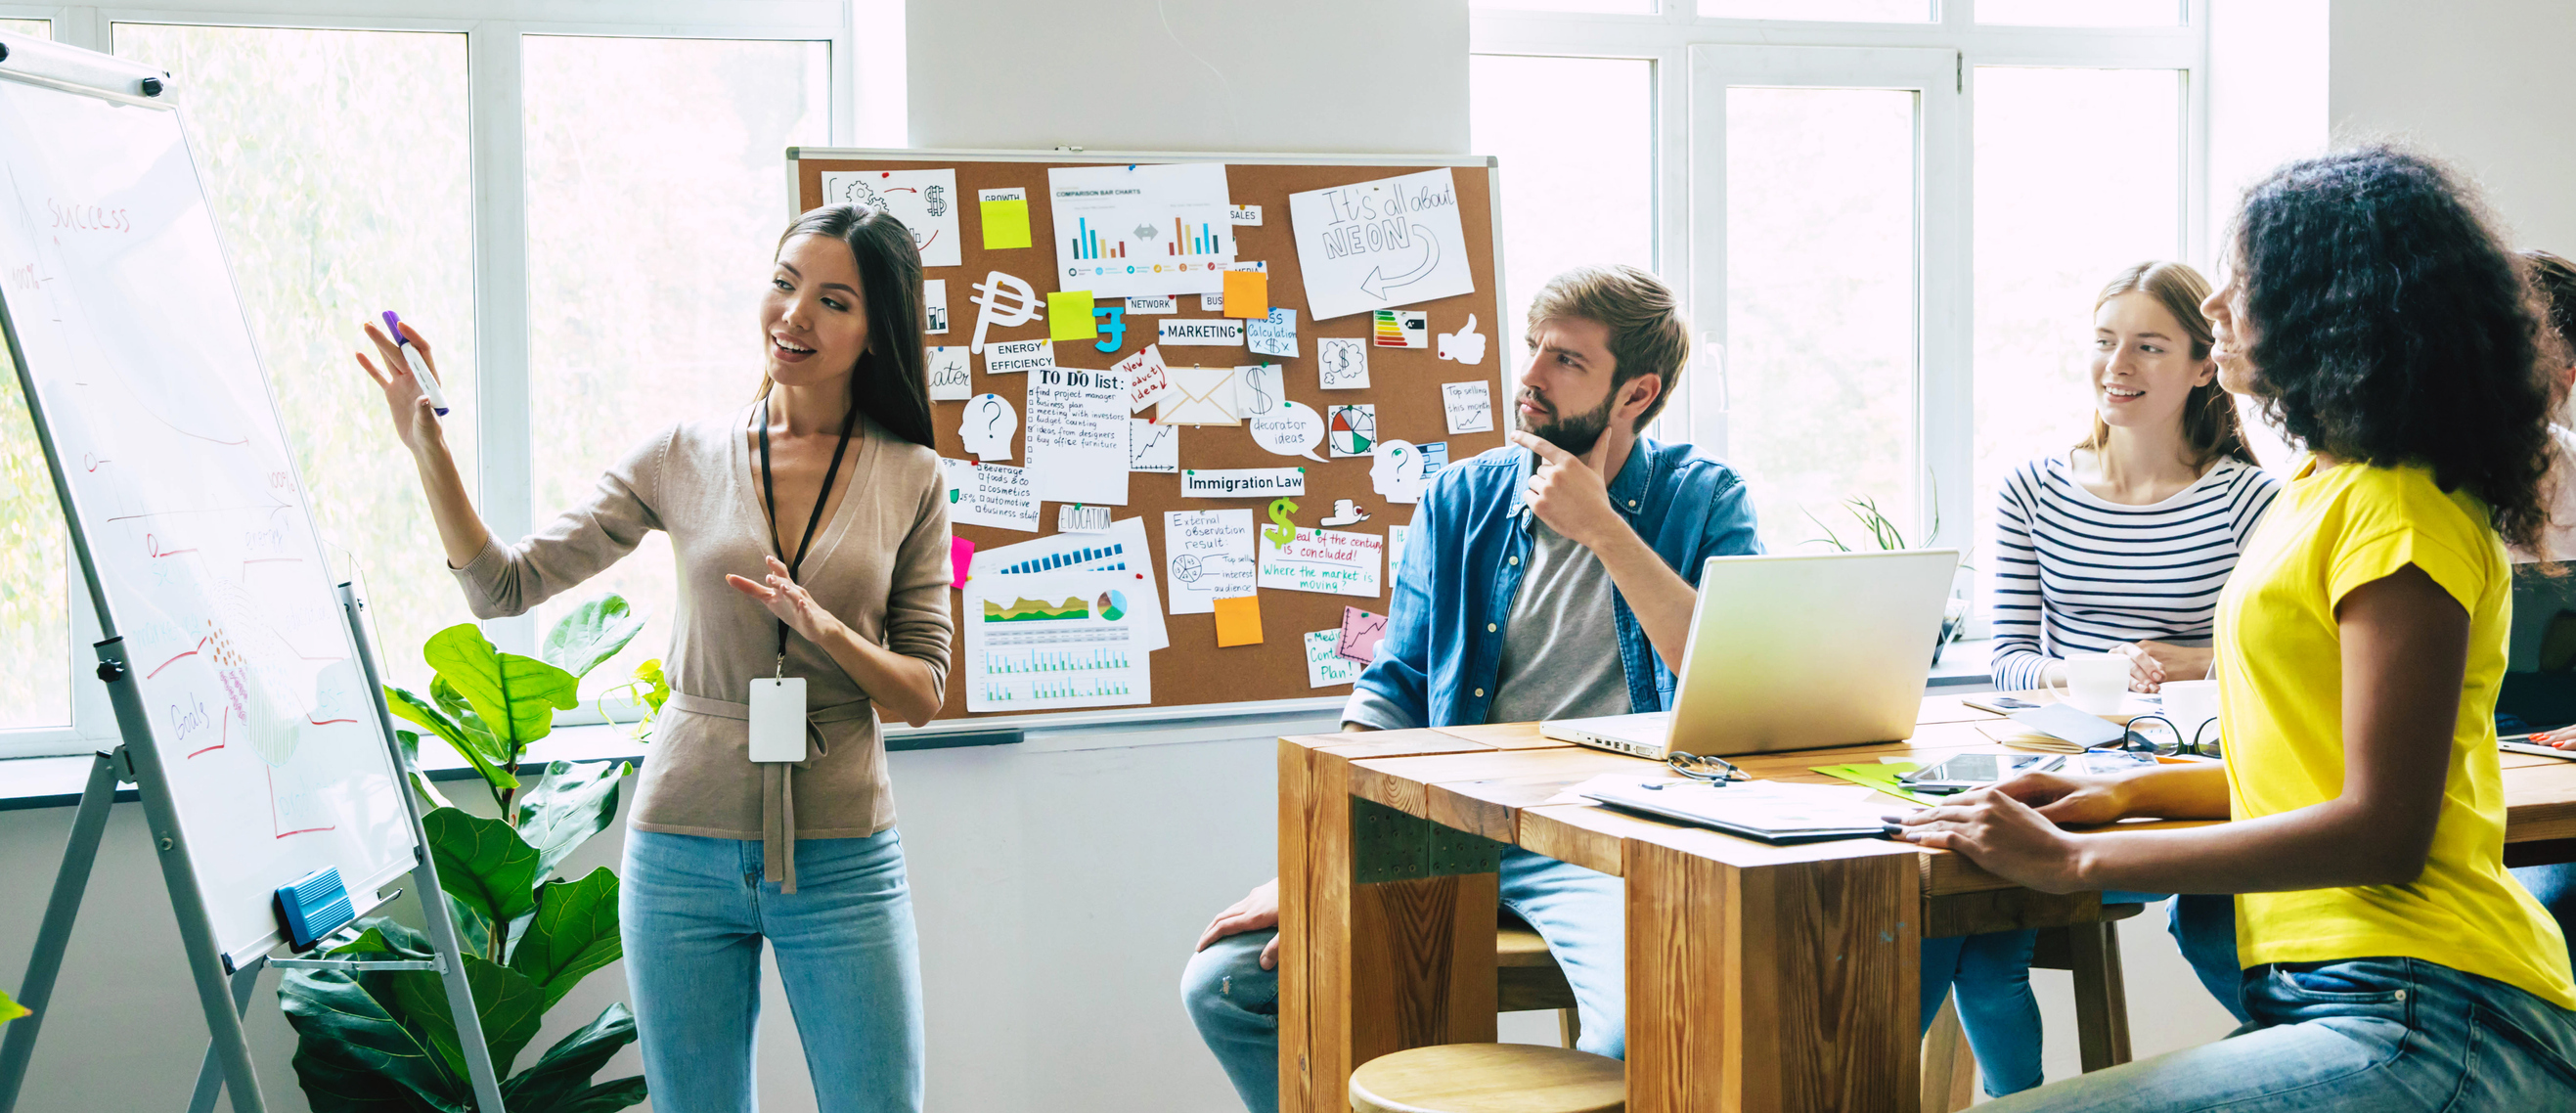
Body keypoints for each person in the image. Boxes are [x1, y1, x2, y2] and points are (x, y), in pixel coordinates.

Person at [1898, 146, 2576, 1110]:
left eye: (2245, 281)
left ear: (2335, 307)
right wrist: (2125, 790)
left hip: (2436, 1009)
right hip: (2352, 999)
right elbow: (2306, 771)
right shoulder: (2321, 492)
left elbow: (2383, 828)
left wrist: (2075, 859)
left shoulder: (2400, 510)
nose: (2215, 304)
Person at [357, 204, 953, 1113]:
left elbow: (921, 692)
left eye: (834, 301)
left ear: (877, 331)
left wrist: (824, 627)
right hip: (680, 850)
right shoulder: (682, 455)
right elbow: (502, 587)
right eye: (784, 283)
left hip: (841, 855)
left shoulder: (911, 475)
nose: (794, 316)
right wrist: (426, 446)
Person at [1177, 265, 1761, 1113]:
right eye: (1533, 348)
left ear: (1637, 393)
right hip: (1450, 826)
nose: (1530, 376)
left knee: (1641, 1037)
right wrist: (1321, 857)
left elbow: (1723, 679)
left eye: (1566, 360)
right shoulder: (1461, 495)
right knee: (1228, 988)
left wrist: (1604, 529)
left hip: (1611, 843)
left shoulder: (1703, 499)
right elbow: (1397, 685)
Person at [1944, 261, 2287, 1090]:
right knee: (1972, 944)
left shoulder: (2249, 500)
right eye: (2104, 342)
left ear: (2203, 366)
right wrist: (2092, 672)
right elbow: (2008, 663)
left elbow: (2279, 656)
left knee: (2201, 931)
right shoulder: (2033, 489)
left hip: (2188, 771)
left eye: (2148, 346)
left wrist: (2192, 661)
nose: (2117, 366)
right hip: (2058, 757)